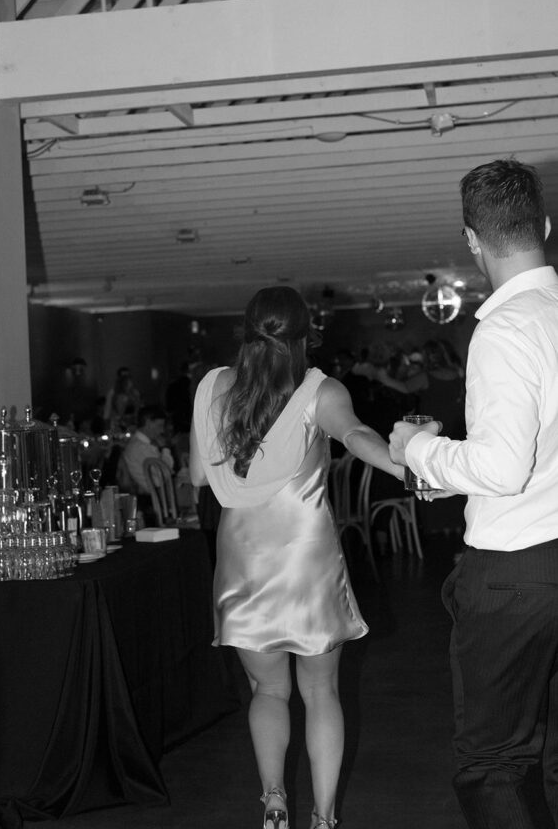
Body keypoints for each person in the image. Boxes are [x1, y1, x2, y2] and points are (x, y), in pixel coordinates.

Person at [189, 286, 403, 829]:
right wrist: (411, 468)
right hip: (305, 556)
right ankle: (324, 818)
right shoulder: (319, 390)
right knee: (321, 689)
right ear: (307, 334)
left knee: (267, 689)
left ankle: (274, 801)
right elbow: (355, 434)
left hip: (243, 556)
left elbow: (197, 476)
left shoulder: (212, 386)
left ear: (247, 329)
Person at [389, 157, 558, 829]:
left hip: (516, 574)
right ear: (545, 226)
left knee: (493, 762)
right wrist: (448, 471)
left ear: (470, 240)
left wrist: (416, 449)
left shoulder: (506, 327)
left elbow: (503, 470)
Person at [116, 404, 174, 526]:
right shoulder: (140, 447)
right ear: (148, 422)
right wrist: (165, 449)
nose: (162, 431)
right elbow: (162, 475)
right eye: (159, 426)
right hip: (152, 500)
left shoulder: (141, 444)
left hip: (154, 496)